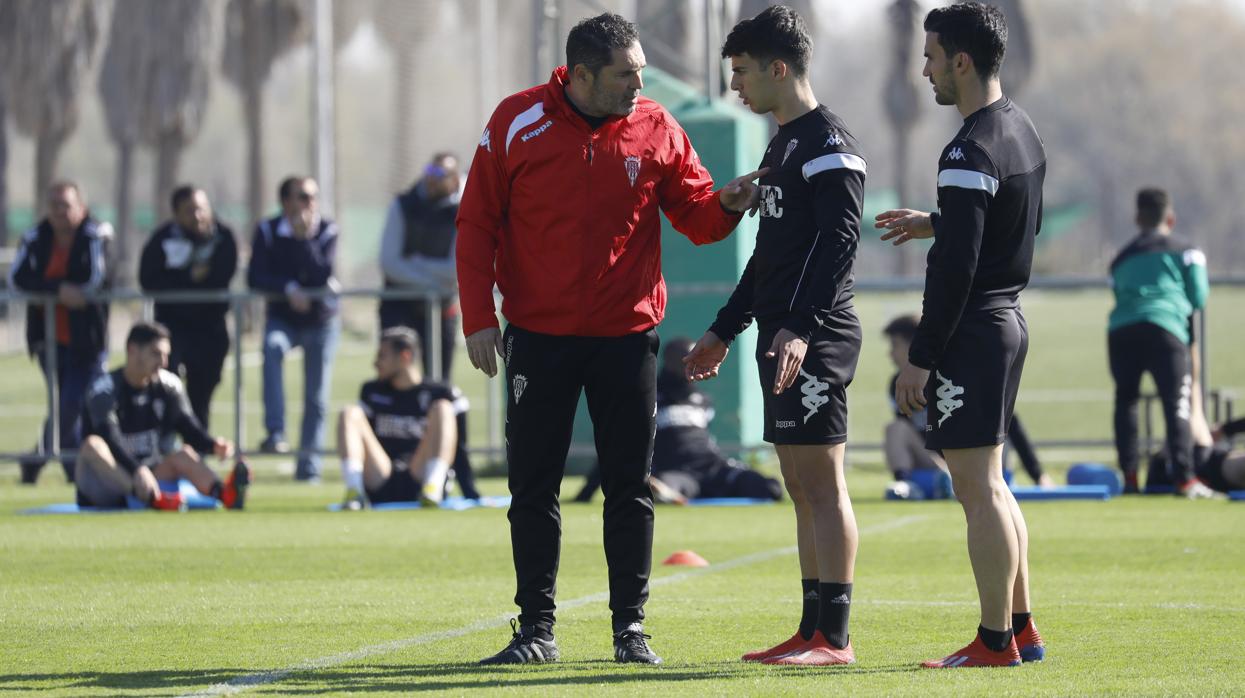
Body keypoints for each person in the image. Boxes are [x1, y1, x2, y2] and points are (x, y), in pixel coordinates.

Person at [457, 12, 763, 666]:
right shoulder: (515, 121)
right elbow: (475, 223)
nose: (638, 85)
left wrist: (728, 204)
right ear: (582, 75)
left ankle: (631, 630)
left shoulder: (657, 126)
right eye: (626, 74)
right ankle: (535, 631)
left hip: (626, 338)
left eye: (640, 72)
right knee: (532, 488)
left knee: (629, 487)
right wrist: (478, 315)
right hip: (537, 337)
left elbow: (696, 218)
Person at [684, 5, 865, 667]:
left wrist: (801, 328)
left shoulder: (829, 146)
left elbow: (840, 245)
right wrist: (723, 329)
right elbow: (768, 255)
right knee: (799, 485)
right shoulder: (782, 145)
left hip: (815, 334)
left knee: (823, 485)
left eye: (741, 71)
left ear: (778, 69)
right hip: (780, 333)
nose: (734, 84)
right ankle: (810, 628)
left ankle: (834, 639)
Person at [873, 2, 1046, 668]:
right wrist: (940, 220)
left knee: (976, 490)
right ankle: (1020, 629)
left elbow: (956, 268)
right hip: (1006, 321)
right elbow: (1011, 225)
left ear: (962, 62)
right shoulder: (1019, 128)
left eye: (932, 58)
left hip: (973, 331)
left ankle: (994, 641)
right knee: (992, 485)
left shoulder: (967, 148)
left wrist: (921, 356)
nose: (924, 70)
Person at [573, 337, 784, 504]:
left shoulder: (702, 399)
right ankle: (660, 491)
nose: (693, 364)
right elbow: (616, 444)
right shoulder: (648, 396)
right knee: (666, 486)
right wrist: (586, 493)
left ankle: (704, 490)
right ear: (671, 362)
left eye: (695, 359)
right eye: (686, 360)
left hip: (712, 467)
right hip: (677, 471)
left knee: (768, 487)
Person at [1106, 188, 1213, 498]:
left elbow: (1117, 291)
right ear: (1171, 218)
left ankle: (1129, 479)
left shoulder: (1120, 258)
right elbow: (1199, 297)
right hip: (1166, 327)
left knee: (1126, 401)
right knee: (1176, 401)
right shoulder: (1188, 251)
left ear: (1137, 219)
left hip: (1121, 331)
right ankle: (1184, 480)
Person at [75, 321, 248, 511]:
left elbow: (188, 427)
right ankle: (149, 498)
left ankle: (225, 494)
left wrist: (213, 445)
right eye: (156, 354)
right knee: (92, 445)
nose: (163, 362)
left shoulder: (168, 385)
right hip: (106, 482)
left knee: (183, 455)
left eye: (166, 355)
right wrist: (137, 470)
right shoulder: (104, 389)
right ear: (132, 350)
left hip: (150, 474)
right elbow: (110, 437)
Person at [9, 181, 111, 485]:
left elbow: (95, 279)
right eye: (54, 205)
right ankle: (66, 469)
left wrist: (64, 290)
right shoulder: (36, 237)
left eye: (65, 205)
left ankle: (48, 463)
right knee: (66, 406)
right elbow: (17, 279)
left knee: (71, 405)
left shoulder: (95, 235)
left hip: (87, 340)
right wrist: (58, 290)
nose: (59, 211)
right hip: (49, 339)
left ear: (80, 207)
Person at [882, 314, 1051, 486]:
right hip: (936, 466)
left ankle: (976, 479)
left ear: (914, 344)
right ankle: (903, 486)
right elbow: (910, 431)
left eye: (895, 345)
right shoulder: (897, 385)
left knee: (998, 417)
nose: (890, 353)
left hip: (973, 459)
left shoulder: (950, 376)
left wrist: (1038, 475)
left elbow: (1010, 421)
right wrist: (943, 470)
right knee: (896, 429)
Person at [247, 176, 340, 481]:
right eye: (302, 196)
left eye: (313, 196)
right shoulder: (268, 230)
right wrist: (288, 288)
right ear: (286, 202)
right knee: (272, 347)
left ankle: (309, 469)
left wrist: (305, 239)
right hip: (283, 318)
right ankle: (276, 432)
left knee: (316, 398)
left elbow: (323, 273)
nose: (310, 203)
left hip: (321, 321)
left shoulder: (326, 230)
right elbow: (256, 276)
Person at [337, 327, 480, 509]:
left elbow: (460, 448)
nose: (376, 363)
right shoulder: (372, 391)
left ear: (405, 356)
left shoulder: (442, 392)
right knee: (349, 412)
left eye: (382, 356)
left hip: (420, 474)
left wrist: (471, 493)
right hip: (382, 475)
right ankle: (354, 492)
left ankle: (432, 489)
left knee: (443, 408)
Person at [139, 185, 239, 430]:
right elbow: (149, 279)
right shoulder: (163, 238)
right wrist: (188, 277)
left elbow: (221, 276)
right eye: (189, 211)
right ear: (176, 214)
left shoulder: (223, 236)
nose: (197, 216)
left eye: (201, 209)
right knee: (166, 390)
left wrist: (183, 278)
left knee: (201, 397)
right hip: (171, 327)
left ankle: (198, 446)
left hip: (210, 329)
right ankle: (165, 443)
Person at [379, 153, 462, 381]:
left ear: (455, 180)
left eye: (440, 174)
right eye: (429, 171)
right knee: (394, 378)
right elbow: (390, 264)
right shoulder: (402, 205)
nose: (432, 178)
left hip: (442, 308)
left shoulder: (465, 209)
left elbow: (457, 269)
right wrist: (435, 283)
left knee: (439, 382)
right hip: (399, 306)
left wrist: (416, 263)